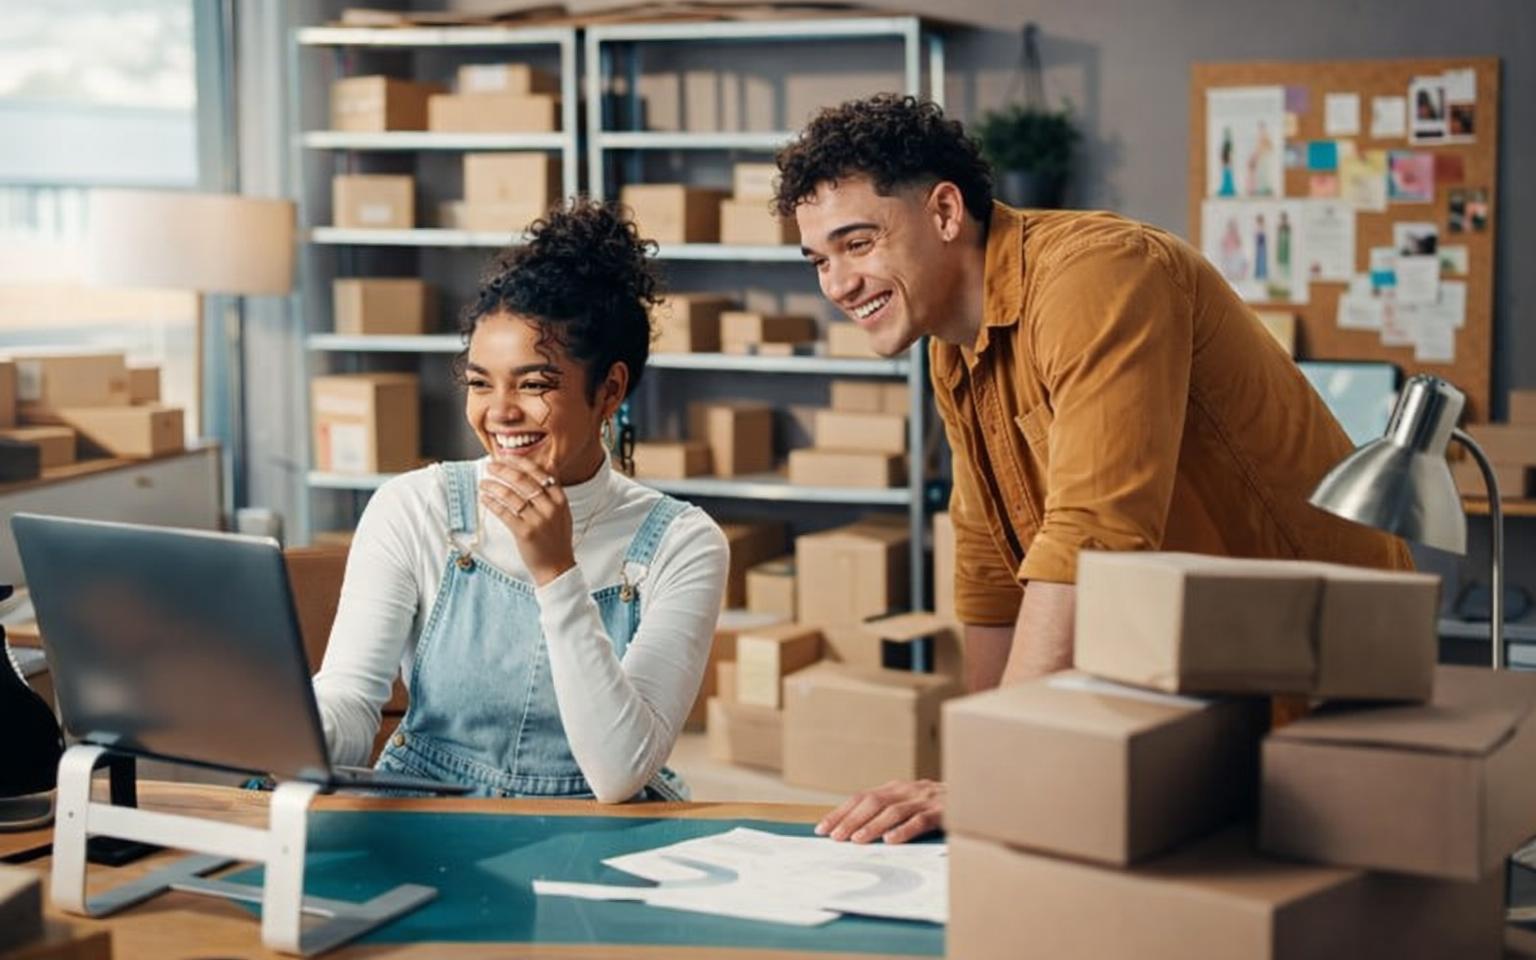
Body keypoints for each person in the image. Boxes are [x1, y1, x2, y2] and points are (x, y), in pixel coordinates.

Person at [771, 93, 1412, 845]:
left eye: (858, 243)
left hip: (1323, 671)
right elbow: (988, 563)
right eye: (820, 259)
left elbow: (1093, 534)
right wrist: (991, 768)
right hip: (1192, 677)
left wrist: (999, 770)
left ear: (945, 212)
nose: (837, 284)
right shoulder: (955, 348)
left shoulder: (1100, 274)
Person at [312, 198, 729, 801]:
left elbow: (618, 774)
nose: (499, 412)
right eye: (481, 383)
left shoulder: (682, 543)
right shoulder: (413, 508)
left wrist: (556, 571)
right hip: (431, 811)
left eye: (534, 384)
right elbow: (351, 707)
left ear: (609, 389)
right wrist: (283, 732)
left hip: (596, 827)